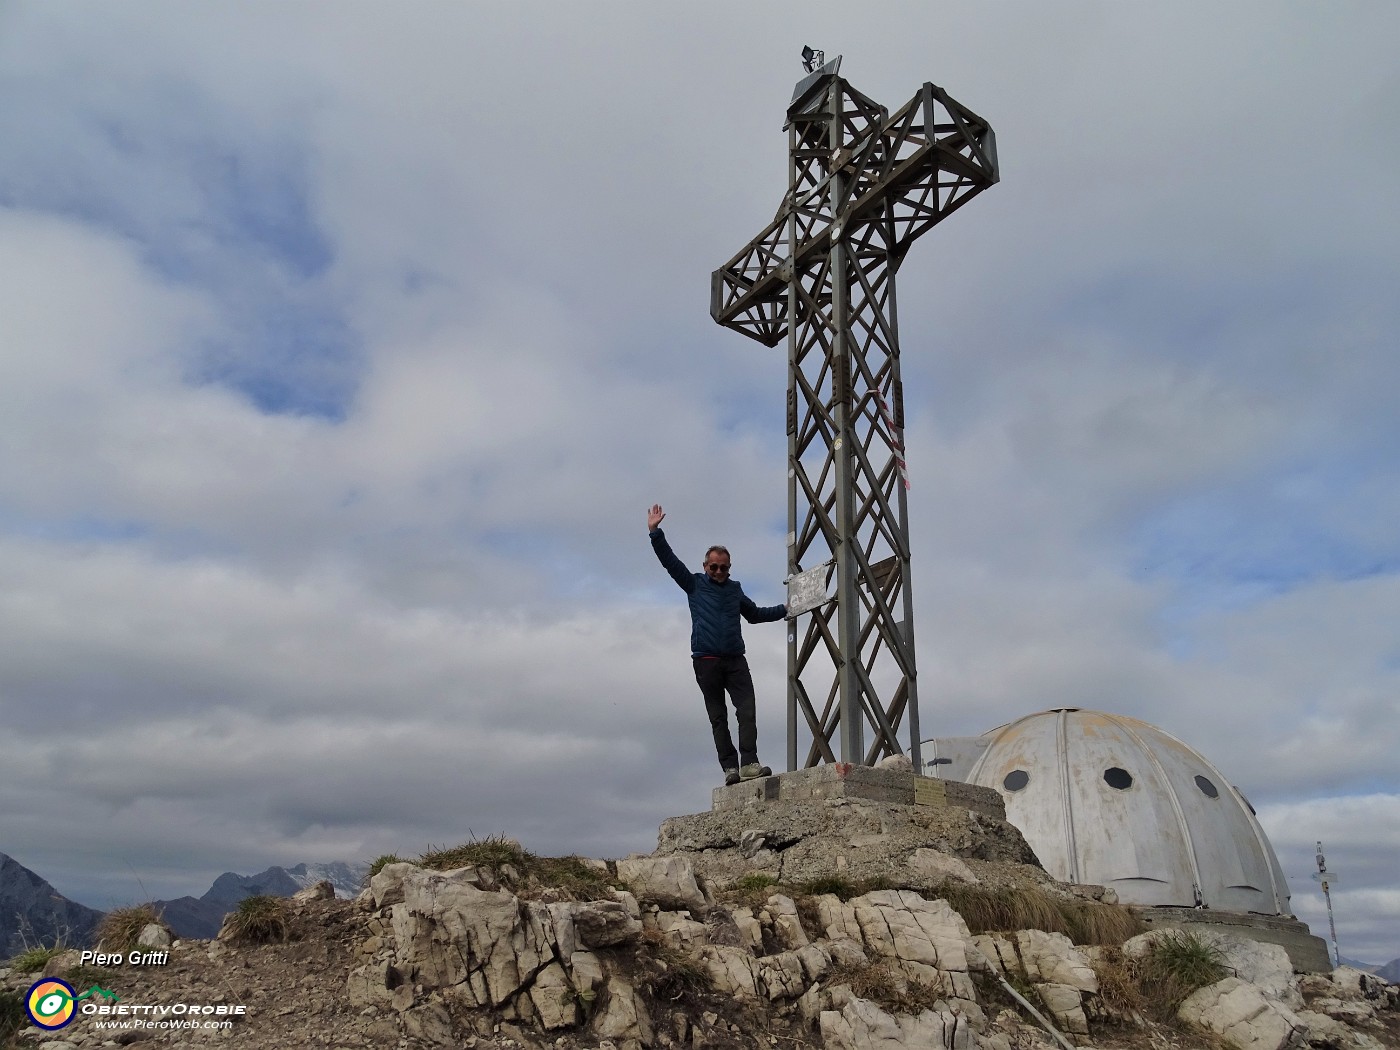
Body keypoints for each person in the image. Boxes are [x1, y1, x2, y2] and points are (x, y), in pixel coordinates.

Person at [647, 503, 787, 786]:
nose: (719, 571)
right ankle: (729, 768)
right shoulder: (694, 584)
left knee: (747, 711)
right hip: (706, 660)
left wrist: (786, 608)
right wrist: (655, 532)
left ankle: (749, 764)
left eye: (723, 567)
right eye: (714, 567)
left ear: (729, 568)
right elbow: (669, 562)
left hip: (736, 660)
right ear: (705, 566)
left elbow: (756, 614)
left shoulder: (735, 590)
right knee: (718, 717)